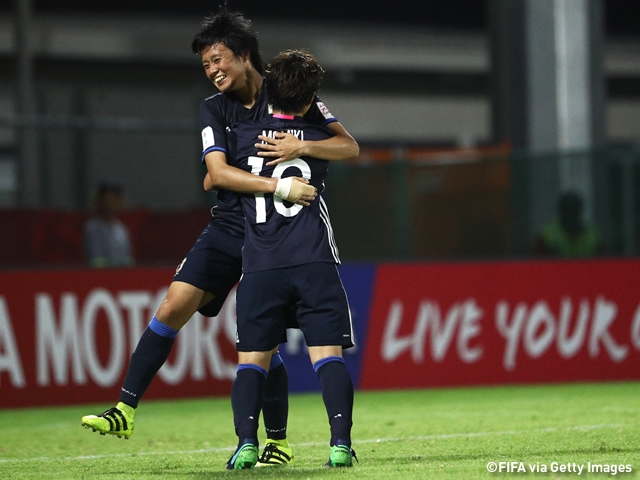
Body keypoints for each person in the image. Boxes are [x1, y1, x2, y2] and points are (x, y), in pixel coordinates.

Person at [81, 7, 359, 468]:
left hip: (272, 232)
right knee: (172, 306)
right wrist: (272, 183)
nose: (212, 71)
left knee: (262, 341)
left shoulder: (287, 93)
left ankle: (278, 441)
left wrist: (298, 147)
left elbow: (347, 145)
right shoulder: (213, 107)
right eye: (206, 64)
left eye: (217, 59)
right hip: (231, 226)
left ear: (244, 55)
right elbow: (216, 172)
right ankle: (125, 408)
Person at [225, 50, 357, 470]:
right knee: (327, 356)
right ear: (309, 101)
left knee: (252, 362)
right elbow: (351, 147)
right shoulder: (315, 138)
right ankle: (339, 444)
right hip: (312, 260)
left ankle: (247, 443)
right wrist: (305, 145)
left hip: (260, 264)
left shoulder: (243, 134)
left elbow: (214, 176)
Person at [533, 191, 602, 257]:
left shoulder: (592, 236)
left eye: (574, 210)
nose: (571, 215)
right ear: (561, 211)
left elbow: (604, 261)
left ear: (579, 211)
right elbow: (537, 262)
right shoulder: (548, 236)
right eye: (567, 210)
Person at [83, 180, 134, 268]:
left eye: (115, 199)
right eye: (107, 200)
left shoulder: (121, 228)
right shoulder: (92, 228)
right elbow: (96, 259)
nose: (111, 204)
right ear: (99, 201)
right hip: (101, 277)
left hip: (122, 276)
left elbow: (127, 257)